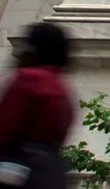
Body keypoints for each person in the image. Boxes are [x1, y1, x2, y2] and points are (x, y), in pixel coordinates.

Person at [0, 23, 72, 189]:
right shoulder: (62, 88)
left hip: (17, 171)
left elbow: (5, 125)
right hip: (50, 174)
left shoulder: (28, 78)